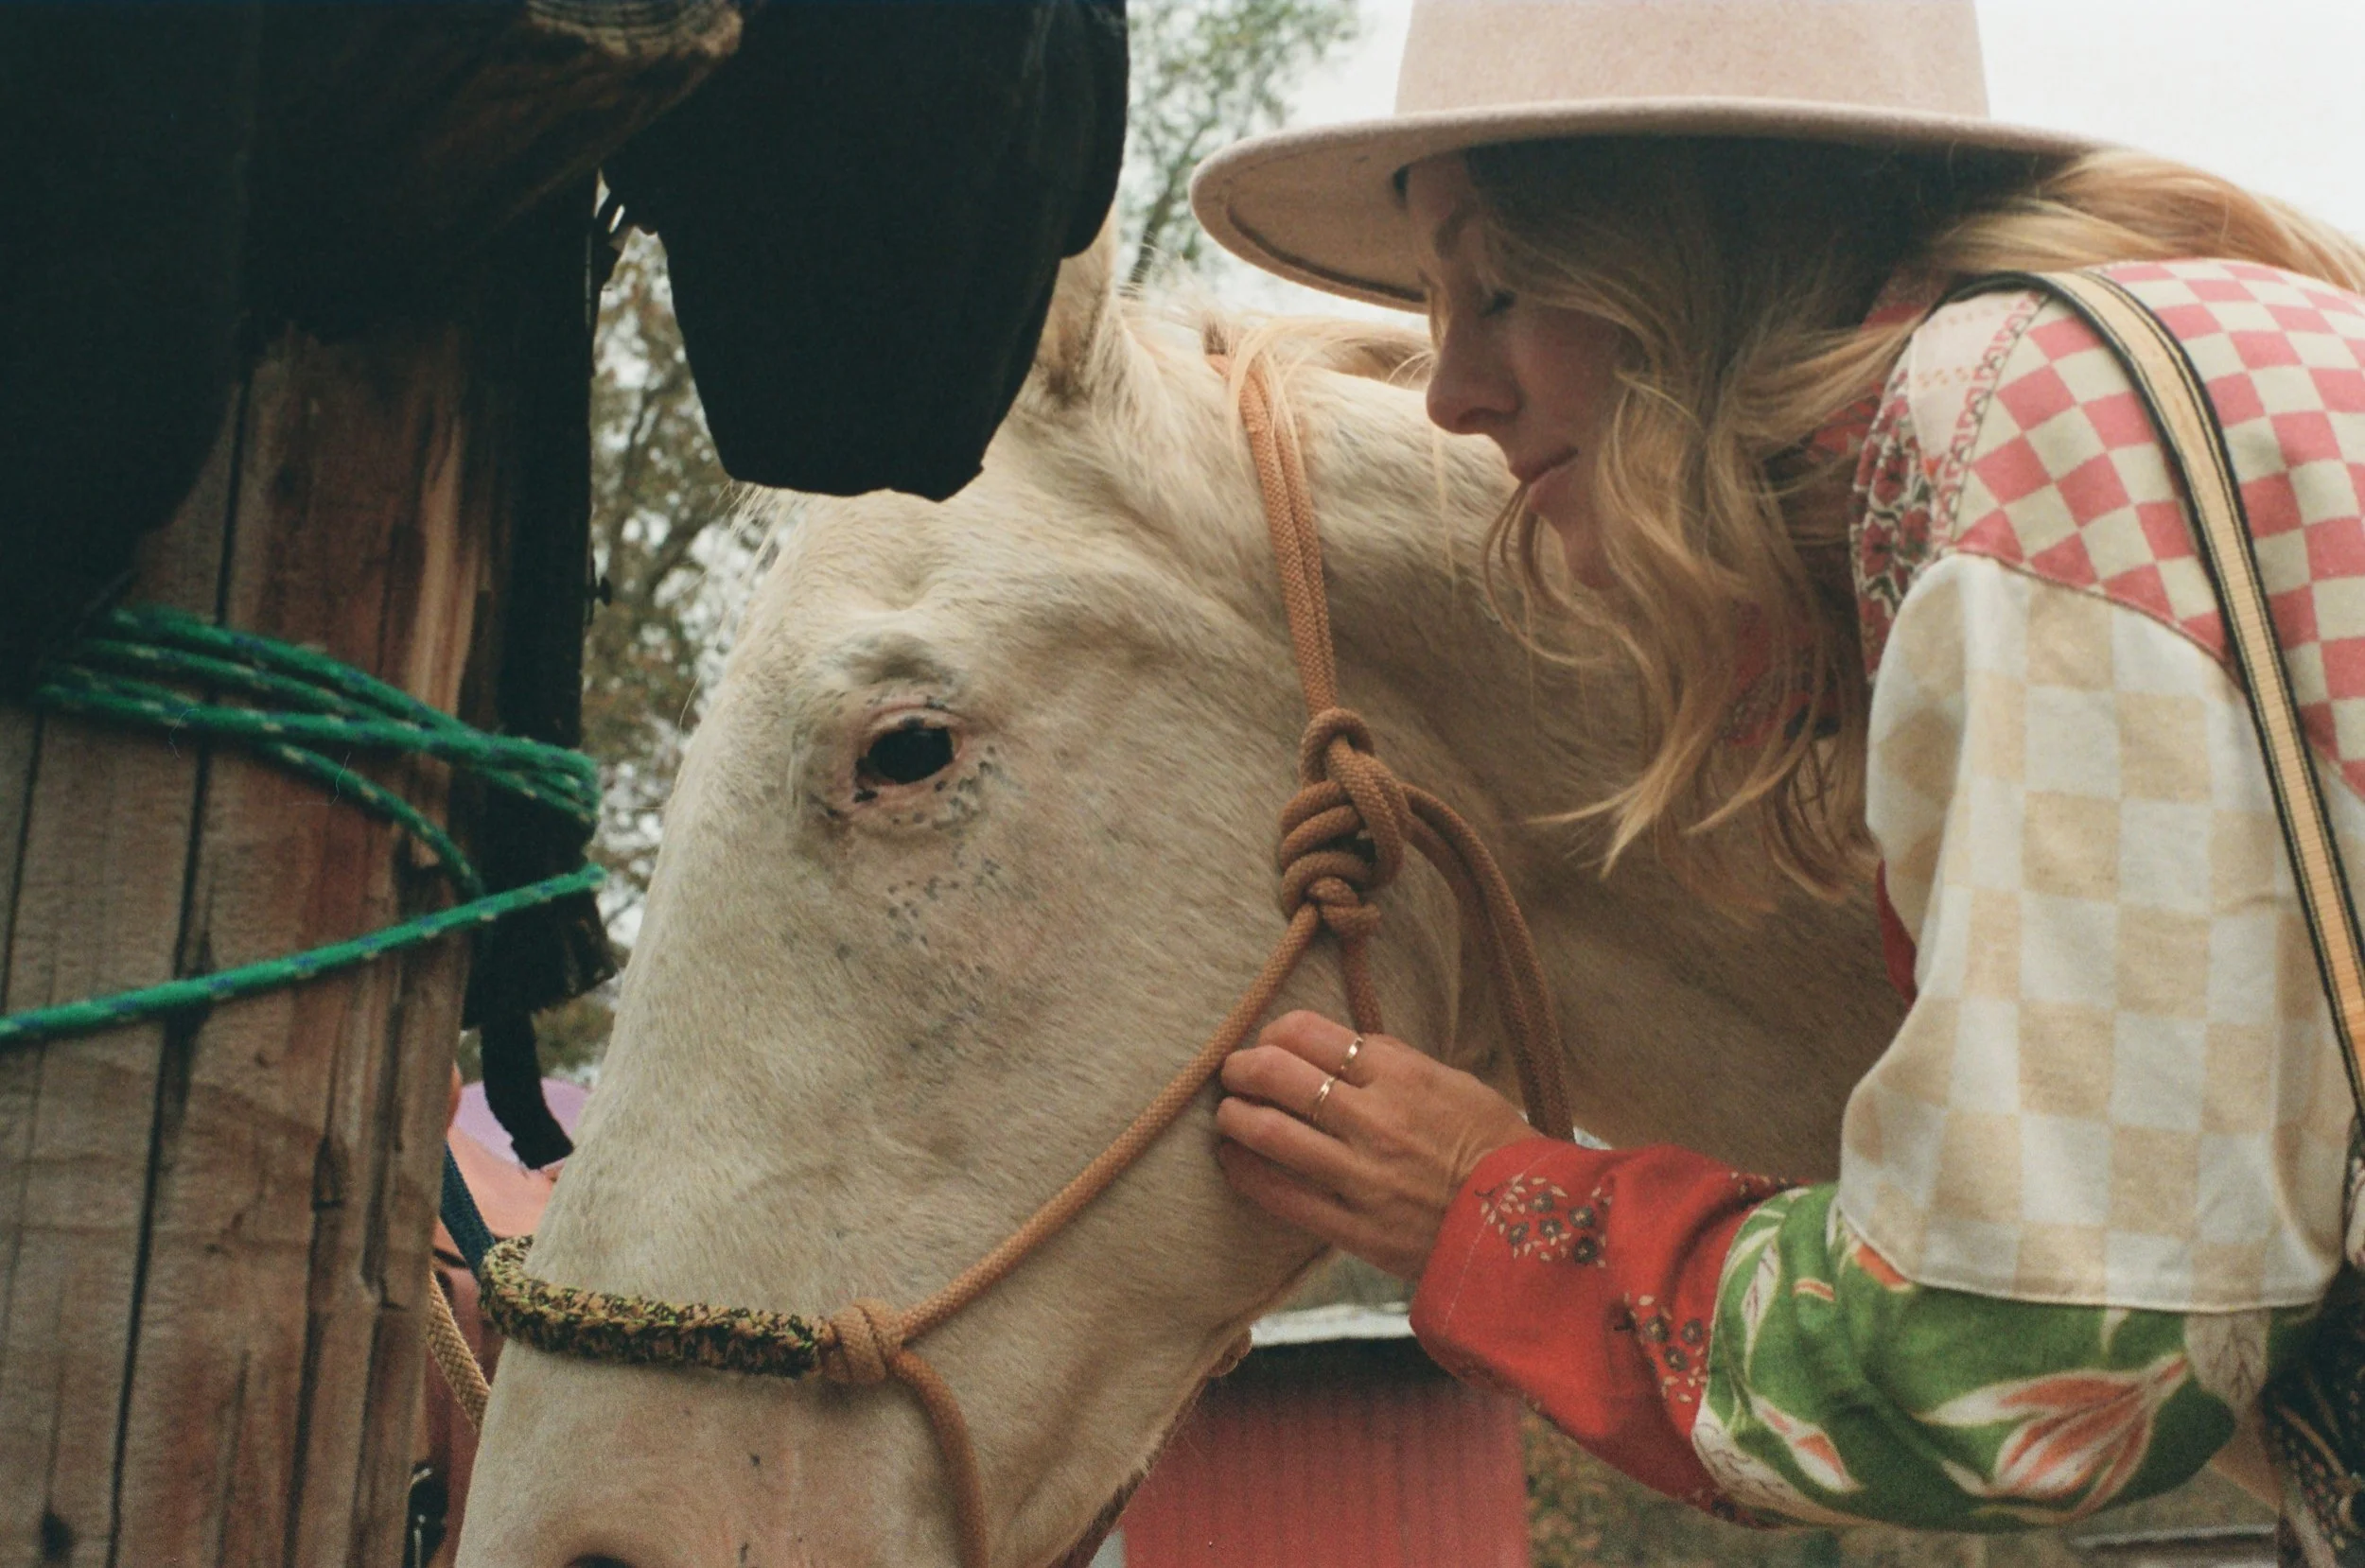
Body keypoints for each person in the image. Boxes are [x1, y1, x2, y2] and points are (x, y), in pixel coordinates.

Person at [1189, 0, 2365, 1552]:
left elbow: (2047, 1356)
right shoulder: (2199, 370)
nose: (1451, 392)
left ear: (1683, 243)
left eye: (1499, 285)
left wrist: (1487, 1206)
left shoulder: (2011, 442)